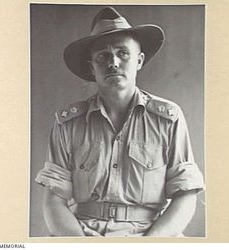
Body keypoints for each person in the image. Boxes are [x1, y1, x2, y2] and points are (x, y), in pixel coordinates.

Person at [35, 6, 205, 237]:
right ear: (92, 68)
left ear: (139, 61)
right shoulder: (68, 123)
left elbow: (186, 195)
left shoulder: (168, 118)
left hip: (153, 234)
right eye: (102, 56)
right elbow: (54, 201)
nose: (113, 62)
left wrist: (150, 244)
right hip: (83, 234)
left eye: (123, 53)